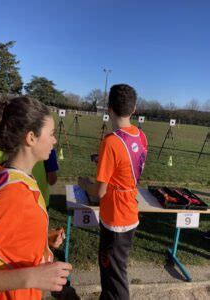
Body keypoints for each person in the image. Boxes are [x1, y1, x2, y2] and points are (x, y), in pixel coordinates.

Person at [0, 96, 72, 299]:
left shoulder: (14, 175)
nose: (54, 140)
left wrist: (41, 239)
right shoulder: (11, 195)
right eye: (51, 134)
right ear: (31, 138)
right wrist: (30, 277)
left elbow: (10, 238)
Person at [79, 84, 148, 300]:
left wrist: (84, 183)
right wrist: (106, 163)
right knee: (113, 270)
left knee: (114, 276)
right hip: (129, 212)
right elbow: (130, 163)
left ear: (108, 108)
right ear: (134, 108)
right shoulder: (141, 135)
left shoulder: (110, 141)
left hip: (116, 218)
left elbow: (99, 191)